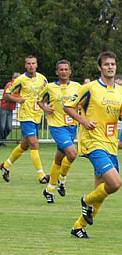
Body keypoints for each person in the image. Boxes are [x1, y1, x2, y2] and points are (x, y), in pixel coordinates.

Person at [64, 51, 122, 239]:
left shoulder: (121, 91)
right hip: (93, 142)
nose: (110, 67)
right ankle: (86, 200)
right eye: (106, 64)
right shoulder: (90, 88)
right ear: (100, 67)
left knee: (102, 191)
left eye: (113, 64)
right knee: (115, 183)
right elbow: (67, 106)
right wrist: (84, 122)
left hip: (111, 143)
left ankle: (79, 227)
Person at [1, 56, 48, 183]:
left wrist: (46, 107)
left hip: (37, 115)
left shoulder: (42, 79)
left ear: (37, 65)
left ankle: (6, 166)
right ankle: (41, 175)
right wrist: (18, 100)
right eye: (29, 63)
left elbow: (46, 95)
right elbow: (6, 95)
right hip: (25, 116)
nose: (31, 65)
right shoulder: (20, 80)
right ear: (25, 65)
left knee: (24, 145)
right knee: (34, 143)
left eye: (33, 63)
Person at [38, 60, 80, 203]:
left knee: (58, 159)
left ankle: (49, 190)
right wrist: (45, 108)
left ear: (70, 71)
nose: (63, 71)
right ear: (57, 72)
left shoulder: (77, 87)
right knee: (73, 153)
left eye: (66, 69)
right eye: (60, 69)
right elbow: (39, 100)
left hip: (71, 126)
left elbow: (82, 103)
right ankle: (62, 179)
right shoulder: (49, 87)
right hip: (56, 126)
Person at [0, 73, 20, 147]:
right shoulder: (9, 85)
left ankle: (2, 140)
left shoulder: (18, 87)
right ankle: (1, 141)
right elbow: (6, 96)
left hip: (10, 108)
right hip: (3, 107)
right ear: (13, 78)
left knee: (9, 127)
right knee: (2, 126)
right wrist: (17, 99)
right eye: (17, 78)